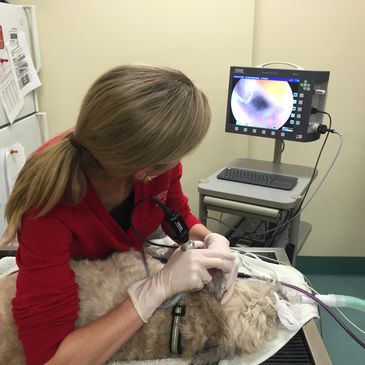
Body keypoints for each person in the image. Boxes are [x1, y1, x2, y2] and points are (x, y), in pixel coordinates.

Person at [0, 64, 238, 365]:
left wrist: (210, 238)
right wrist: (153, 290)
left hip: (121, 274)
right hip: (85, 299)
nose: (177, 164)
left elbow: (174, 211)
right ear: (144, 171)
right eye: (173, 159)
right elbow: (50, 359)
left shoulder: (154, 167)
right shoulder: (46, 204)